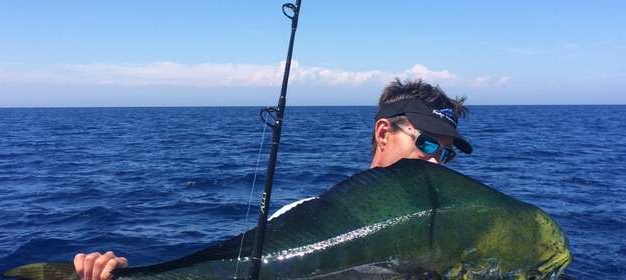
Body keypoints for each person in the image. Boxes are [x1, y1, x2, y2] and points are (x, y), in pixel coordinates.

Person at [73, 78, 472, 280]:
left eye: (446, 154)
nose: (437, 164)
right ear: (384, 133)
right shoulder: (301, 218)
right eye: (428, 146)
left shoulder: (451, 240)